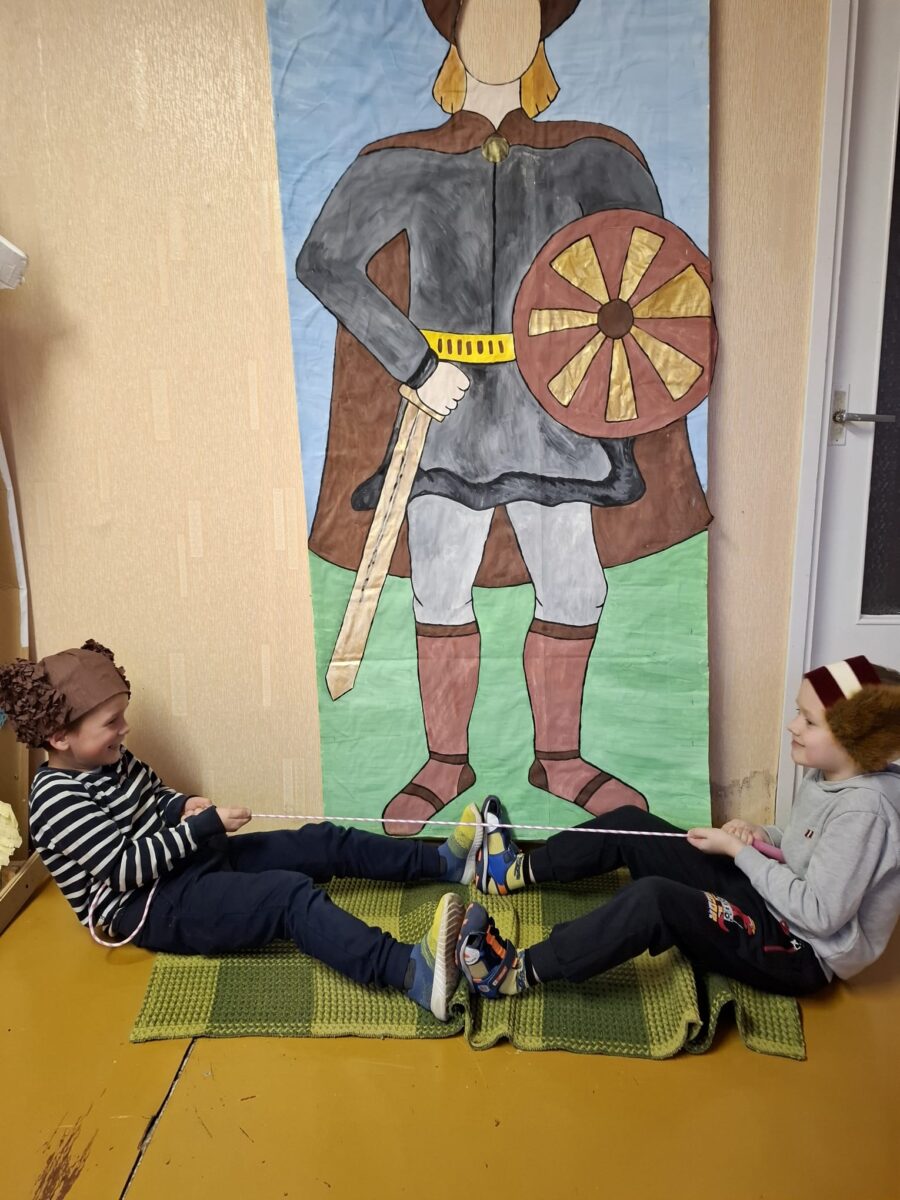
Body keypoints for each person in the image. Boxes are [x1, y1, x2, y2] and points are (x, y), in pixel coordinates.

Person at [296, 0, 711, 835]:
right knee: (441, 583)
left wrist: (596, 385)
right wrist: (415, 363)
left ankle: (560, 757)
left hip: (552, 412)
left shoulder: (594, 159)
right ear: (452, 30)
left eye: (520, 12)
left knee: (574, 583)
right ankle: (445, 760)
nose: (502, 31)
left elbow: (648, 280)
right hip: (444, 413)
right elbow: (326, 261)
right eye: (486, 12)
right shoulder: (404, 163)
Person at [0, 640, 484, 1022]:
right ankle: (410, 972)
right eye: (112, 722)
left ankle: (442, 862)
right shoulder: (56, 799)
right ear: (59, 737)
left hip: (184, 864)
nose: (125, 729)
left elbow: (154, 795)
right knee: (289, 898)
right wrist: (199, 829)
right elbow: (124, 868)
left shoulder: (113, 760)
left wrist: (181, 805)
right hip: (149, 908)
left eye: (123, 715)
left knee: (319, 842)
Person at [457, 656, 900, 1000]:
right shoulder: (830, 774)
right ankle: (509, 872)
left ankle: (511, 974)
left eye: (809, 721)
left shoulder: (866, 813)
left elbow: (820, 915)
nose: (792, 725)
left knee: (655, 900)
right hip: (772, 898)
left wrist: (740, 853)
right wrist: (763, 835)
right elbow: (805, 848)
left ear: (857, 741)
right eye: (798, 713)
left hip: (796, 949)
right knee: (632, 824)